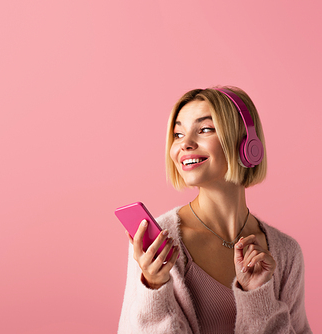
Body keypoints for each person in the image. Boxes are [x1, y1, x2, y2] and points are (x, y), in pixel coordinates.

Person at [117, 87, 311, 333]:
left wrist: (258, 299)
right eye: (177, 134)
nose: (184, 144)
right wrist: (154, 288)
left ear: (247, 145)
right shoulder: (158, 242)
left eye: (205, 129)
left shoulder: (286, 252)